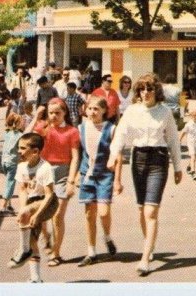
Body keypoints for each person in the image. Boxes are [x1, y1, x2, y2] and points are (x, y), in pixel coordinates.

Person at [107, 73, 183, 276]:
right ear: (138, 92)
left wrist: (177, 166)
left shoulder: (165, 112)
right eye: (142, 89)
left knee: (151, 212)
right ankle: (149, 244)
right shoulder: (131, 111)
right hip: (138, 159)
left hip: (158, 159)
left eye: (150, 89)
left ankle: (144, 258)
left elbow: (174, 140)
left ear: (156, 91)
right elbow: (121, 134)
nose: (146, 92)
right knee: (142, 209)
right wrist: (113, 155)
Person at [32, 98, 81, 267]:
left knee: (58, 215)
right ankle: (46, 237)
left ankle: (56, 253)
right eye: (50, 113)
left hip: (63, 173)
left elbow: (75, 157)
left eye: (57, 113)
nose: (53, 116)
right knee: (41, 213)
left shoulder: (72, 131)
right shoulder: (42, 128)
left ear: (64, 113)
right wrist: (36, 117)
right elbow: (24, 138)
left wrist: (71, 181)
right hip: (44, 172)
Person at [7, 132, 59, 283]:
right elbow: (23, 189)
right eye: (19, 148)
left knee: (27, 239)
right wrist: (23, 211)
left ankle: (23, 250)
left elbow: (49, 195)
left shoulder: (45, 168)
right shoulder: (22, 167)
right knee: (32, 240)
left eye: (23, 148)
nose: (19, 151)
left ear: (35, 151)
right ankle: (36, 279)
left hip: (48, 203)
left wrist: (35, 215)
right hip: (32, 202)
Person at [77, 96, 122, 266]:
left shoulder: (111, 129)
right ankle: (91, 251)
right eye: (90, 108)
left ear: (104, 110)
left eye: (96, 109)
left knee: (103, 212)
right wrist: (74, 176)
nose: (93, 112)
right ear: (85, 110)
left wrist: (117, 180)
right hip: (87, 175)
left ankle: (107, 236)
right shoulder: (81, 128)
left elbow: (117, 156)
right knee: (89, 214)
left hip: (104, 175)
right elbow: (78, 153)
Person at [0, 113, 24, 216]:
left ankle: (9, 204)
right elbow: (21, 150)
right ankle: (3, 207)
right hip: (13, 162)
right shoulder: (20, 135)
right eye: (21, 122)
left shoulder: (6, 133)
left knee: (7, 181)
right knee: (10, 184)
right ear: (17, 123)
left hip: (4, 161)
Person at [179, 111, 196, 180]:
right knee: (193, 156)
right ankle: (193, 172)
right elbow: (183, 132)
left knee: (194, 157)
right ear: (194, 116)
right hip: (191, 142)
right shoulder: (189, 124)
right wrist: (179, 140)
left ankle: (189, 167)